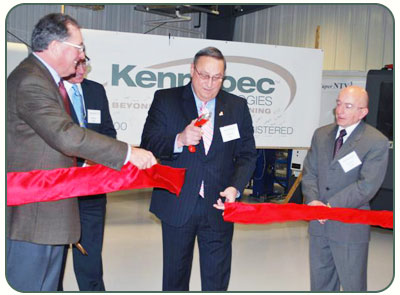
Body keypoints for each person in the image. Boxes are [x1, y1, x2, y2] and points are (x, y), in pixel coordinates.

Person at [6, 13, 156, 292]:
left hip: (49, 210)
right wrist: (128, 153)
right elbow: (66, 134)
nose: (82, 56)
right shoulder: (31, 81)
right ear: (55, 47)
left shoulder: (46, 80)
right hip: (34, 216)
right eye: (79, 48)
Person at [140, 46, 257, 291]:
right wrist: (179, 140)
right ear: (192, 70)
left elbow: (247, 155)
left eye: (217, 77)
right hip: (177, 203)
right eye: (204, 75)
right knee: (175, 278)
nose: (210, 83)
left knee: (217, 280)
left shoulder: (237, 106)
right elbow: (149, 143)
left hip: (218, 205)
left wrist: (235, 187)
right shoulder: (166, 99)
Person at [301, 85, 389, 291]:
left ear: (363, 112)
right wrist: (313, 201)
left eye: (348, 106)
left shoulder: (375, 142)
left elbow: (367, 186)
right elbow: (310, 171)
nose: (339, 111)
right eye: (339, 104)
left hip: (349, 227)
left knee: (352, 285)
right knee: (320, 284)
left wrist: (330, 206)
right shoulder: (321, 135)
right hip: (319, 224)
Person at [56, 56, 114, 291]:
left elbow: (108, 132)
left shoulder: (95, 90)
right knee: (56, 253)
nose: (81, 71)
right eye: (76, 65)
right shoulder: (51, 93)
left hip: (93, 186)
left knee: (90, 250)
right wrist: (81, 160)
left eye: (85, 65)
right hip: (60, 187)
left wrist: (99, 158)